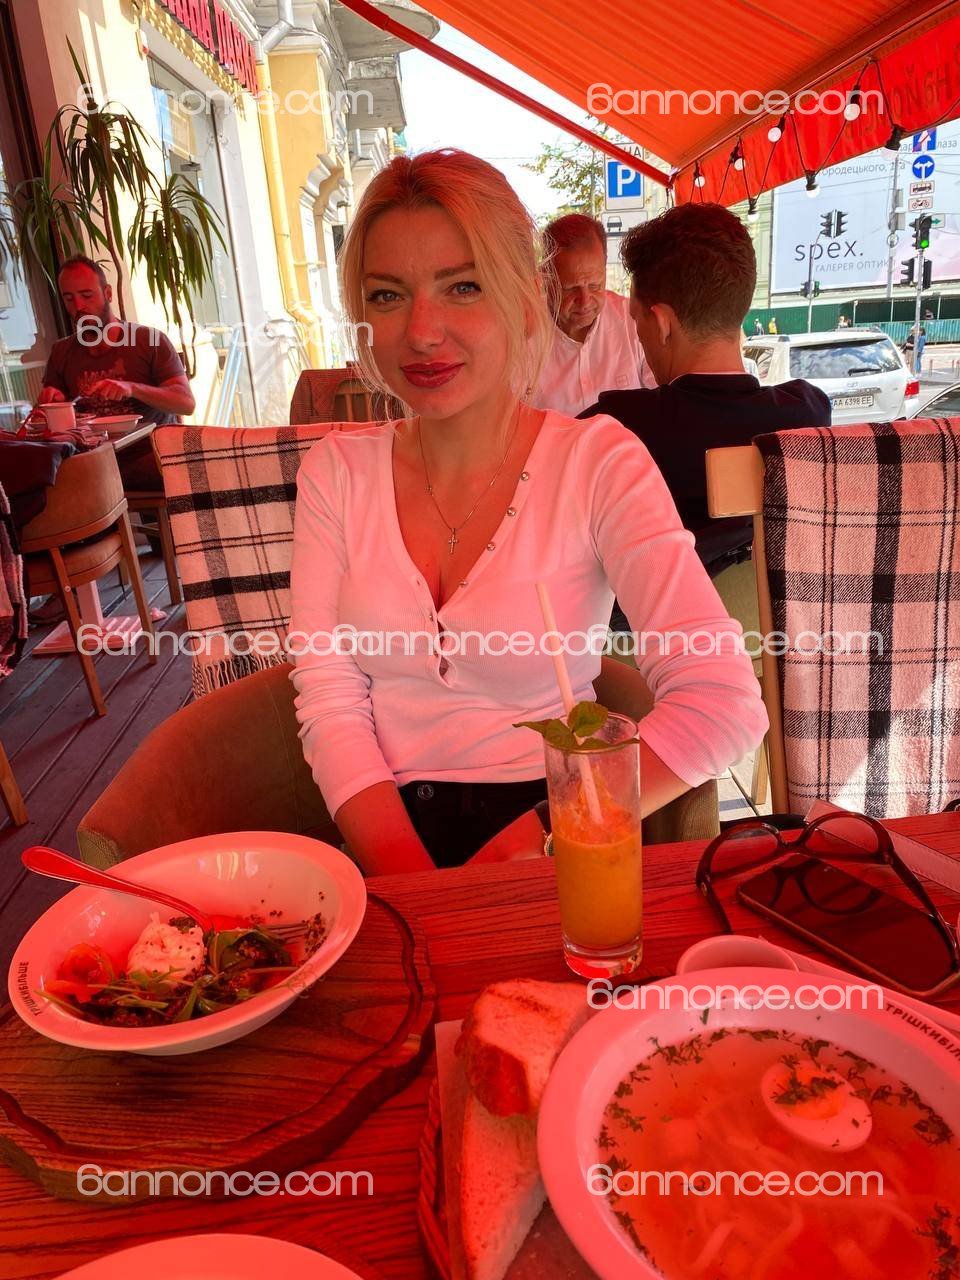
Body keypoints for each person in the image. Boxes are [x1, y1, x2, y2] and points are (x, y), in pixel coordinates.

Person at [289, 150, 767, 875]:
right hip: (385, 843)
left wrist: (544, 833)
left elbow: (724, 701)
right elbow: (329, 700)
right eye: (387, 295)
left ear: (522, 299)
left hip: (554, 832)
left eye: (463, 286)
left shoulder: (596, 461)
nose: (422, 330)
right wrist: (422, 890)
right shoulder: (335, 473)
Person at [579, 203, 831, 575]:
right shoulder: (808, 417)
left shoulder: (612, 430)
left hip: (653, 612)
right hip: (785, 611)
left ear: (662, 324)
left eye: (637, 320)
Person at [35, 256, 195, 488]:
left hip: (149, 455)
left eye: (86, 295)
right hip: (92, 462)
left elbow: (186, 403)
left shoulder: (149, 340)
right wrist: (51, 403)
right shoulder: (62, 351)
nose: (78, 306)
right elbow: (43, 417)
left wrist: (132, 388)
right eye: (69, 299)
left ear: (108, 293)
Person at [531, 214, 656, 415]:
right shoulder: (524, 334)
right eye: (571, 288)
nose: (585, 301)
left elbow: (659, 402)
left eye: (594, 285)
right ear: (546, 278)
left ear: (604, 267)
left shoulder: (633, 321)